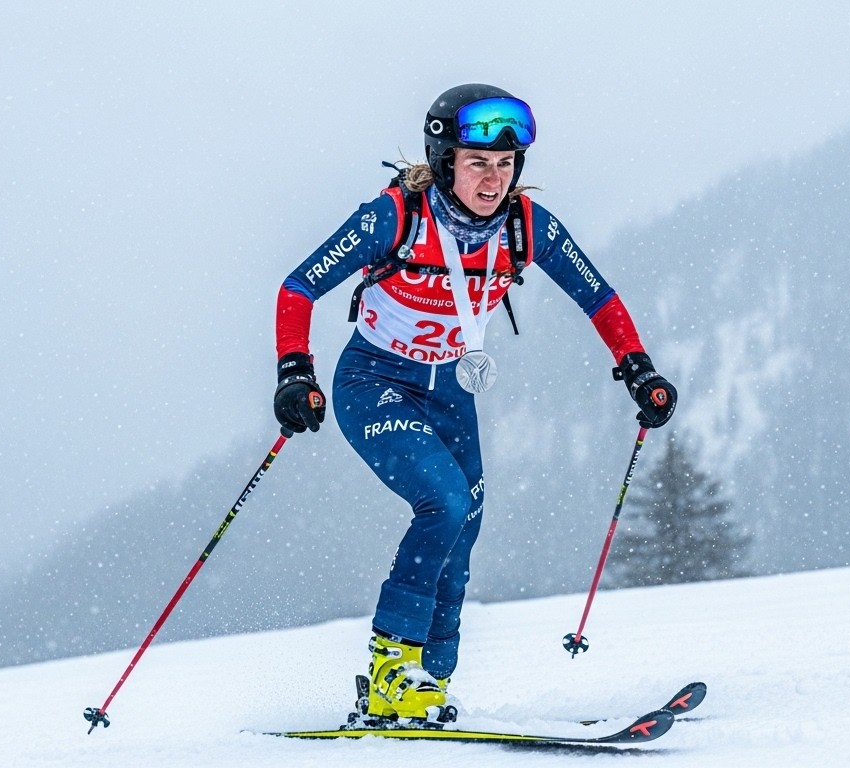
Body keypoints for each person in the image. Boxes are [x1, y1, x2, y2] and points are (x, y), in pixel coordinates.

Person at [272, 83, 677, 723]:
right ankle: (388, 669)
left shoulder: (525, 227)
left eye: (506, 165)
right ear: (443, 161)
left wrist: (639, 369)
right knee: (445, 501)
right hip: (374, 381)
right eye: (478, 163)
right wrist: (295, 370)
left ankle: (427, 682)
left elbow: (597, 295)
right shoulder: (393, 219)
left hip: (450, 392)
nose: (494, 179)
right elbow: (299, 287)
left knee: (464, 527)